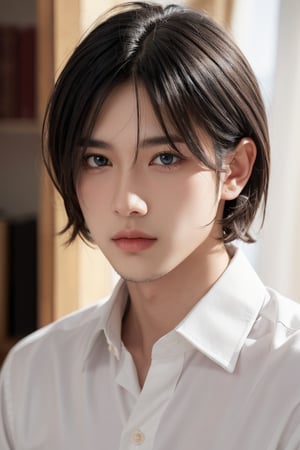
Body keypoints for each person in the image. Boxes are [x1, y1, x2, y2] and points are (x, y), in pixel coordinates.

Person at [1, 1, 300, 449]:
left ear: (235, 169)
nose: (128, 201)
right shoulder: (35, 372)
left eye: (165, 158)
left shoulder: (288, 380)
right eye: (97, 160)